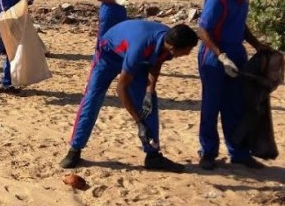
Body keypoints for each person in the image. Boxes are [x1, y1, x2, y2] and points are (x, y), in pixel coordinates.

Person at [60, 21, 198, 171]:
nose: (189, 53)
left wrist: (150, 91)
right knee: (93, 97)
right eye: (188, 50)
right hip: (109, 54)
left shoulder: (168, 40)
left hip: (137, 58)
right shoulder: (141, 48)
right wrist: (139, 122)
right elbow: (121, 89)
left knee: (149, 102)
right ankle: (74, 150)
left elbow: (156, 61)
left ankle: (153, 156)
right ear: (173, 47)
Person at [197, 0, 272, 170]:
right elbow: (203, 30)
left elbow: (240, 23)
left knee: (236, 105)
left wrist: (257, 45)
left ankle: (238, 152)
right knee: (212, 105)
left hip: (237, 51)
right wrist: (222, 56)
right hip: (213, 55)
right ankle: (208, 152)